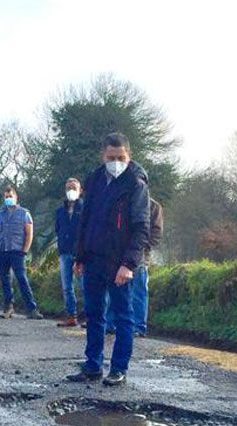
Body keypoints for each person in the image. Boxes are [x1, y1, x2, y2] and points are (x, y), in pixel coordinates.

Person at [66, 133, 150, 388]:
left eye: (121, 158)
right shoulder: (94, 180)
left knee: (123, 316)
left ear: (129, 156)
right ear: (103, 156)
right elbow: (86, 221)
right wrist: (80, 256)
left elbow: (141, 228)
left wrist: (129, 264)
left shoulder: (136, 185)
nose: (116, 162)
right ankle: (92, 366)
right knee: (94, 314)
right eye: (111, 158)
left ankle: (118, 368)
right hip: (93, 259)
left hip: (119, 263)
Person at [106, 196, 163, 337]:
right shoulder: (122, 201)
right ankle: (111, 323)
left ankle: (138, 326)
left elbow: (156, 232)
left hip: (141, 255)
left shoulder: (154, 206)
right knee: (116, 288)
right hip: (120, 253)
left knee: (139, 291)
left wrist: (143, 247)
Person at [0, 185, 42, 320]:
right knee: (5, 281)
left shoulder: (24, 213)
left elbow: (29, 233)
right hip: (1, 251)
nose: (8, 199)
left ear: (16, 197)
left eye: (10, 196)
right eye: (6, 197)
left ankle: (32, 309)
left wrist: (25, 250)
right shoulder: (0, 214)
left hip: (17, 251)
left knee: (22, 279)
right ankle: (8, 307)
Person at [54, 178, 84, 327]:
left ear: (80, 191)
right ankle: (71, 315)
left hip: (81, 253)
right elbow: (58, 229)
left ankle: (92, 316)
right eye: (68, 188)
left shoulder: (85, 209)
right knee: (67, 286)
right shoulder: (60, 211)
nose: (71, 191)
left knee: (85, 285)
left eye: (73, 188)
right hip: (65, 252)